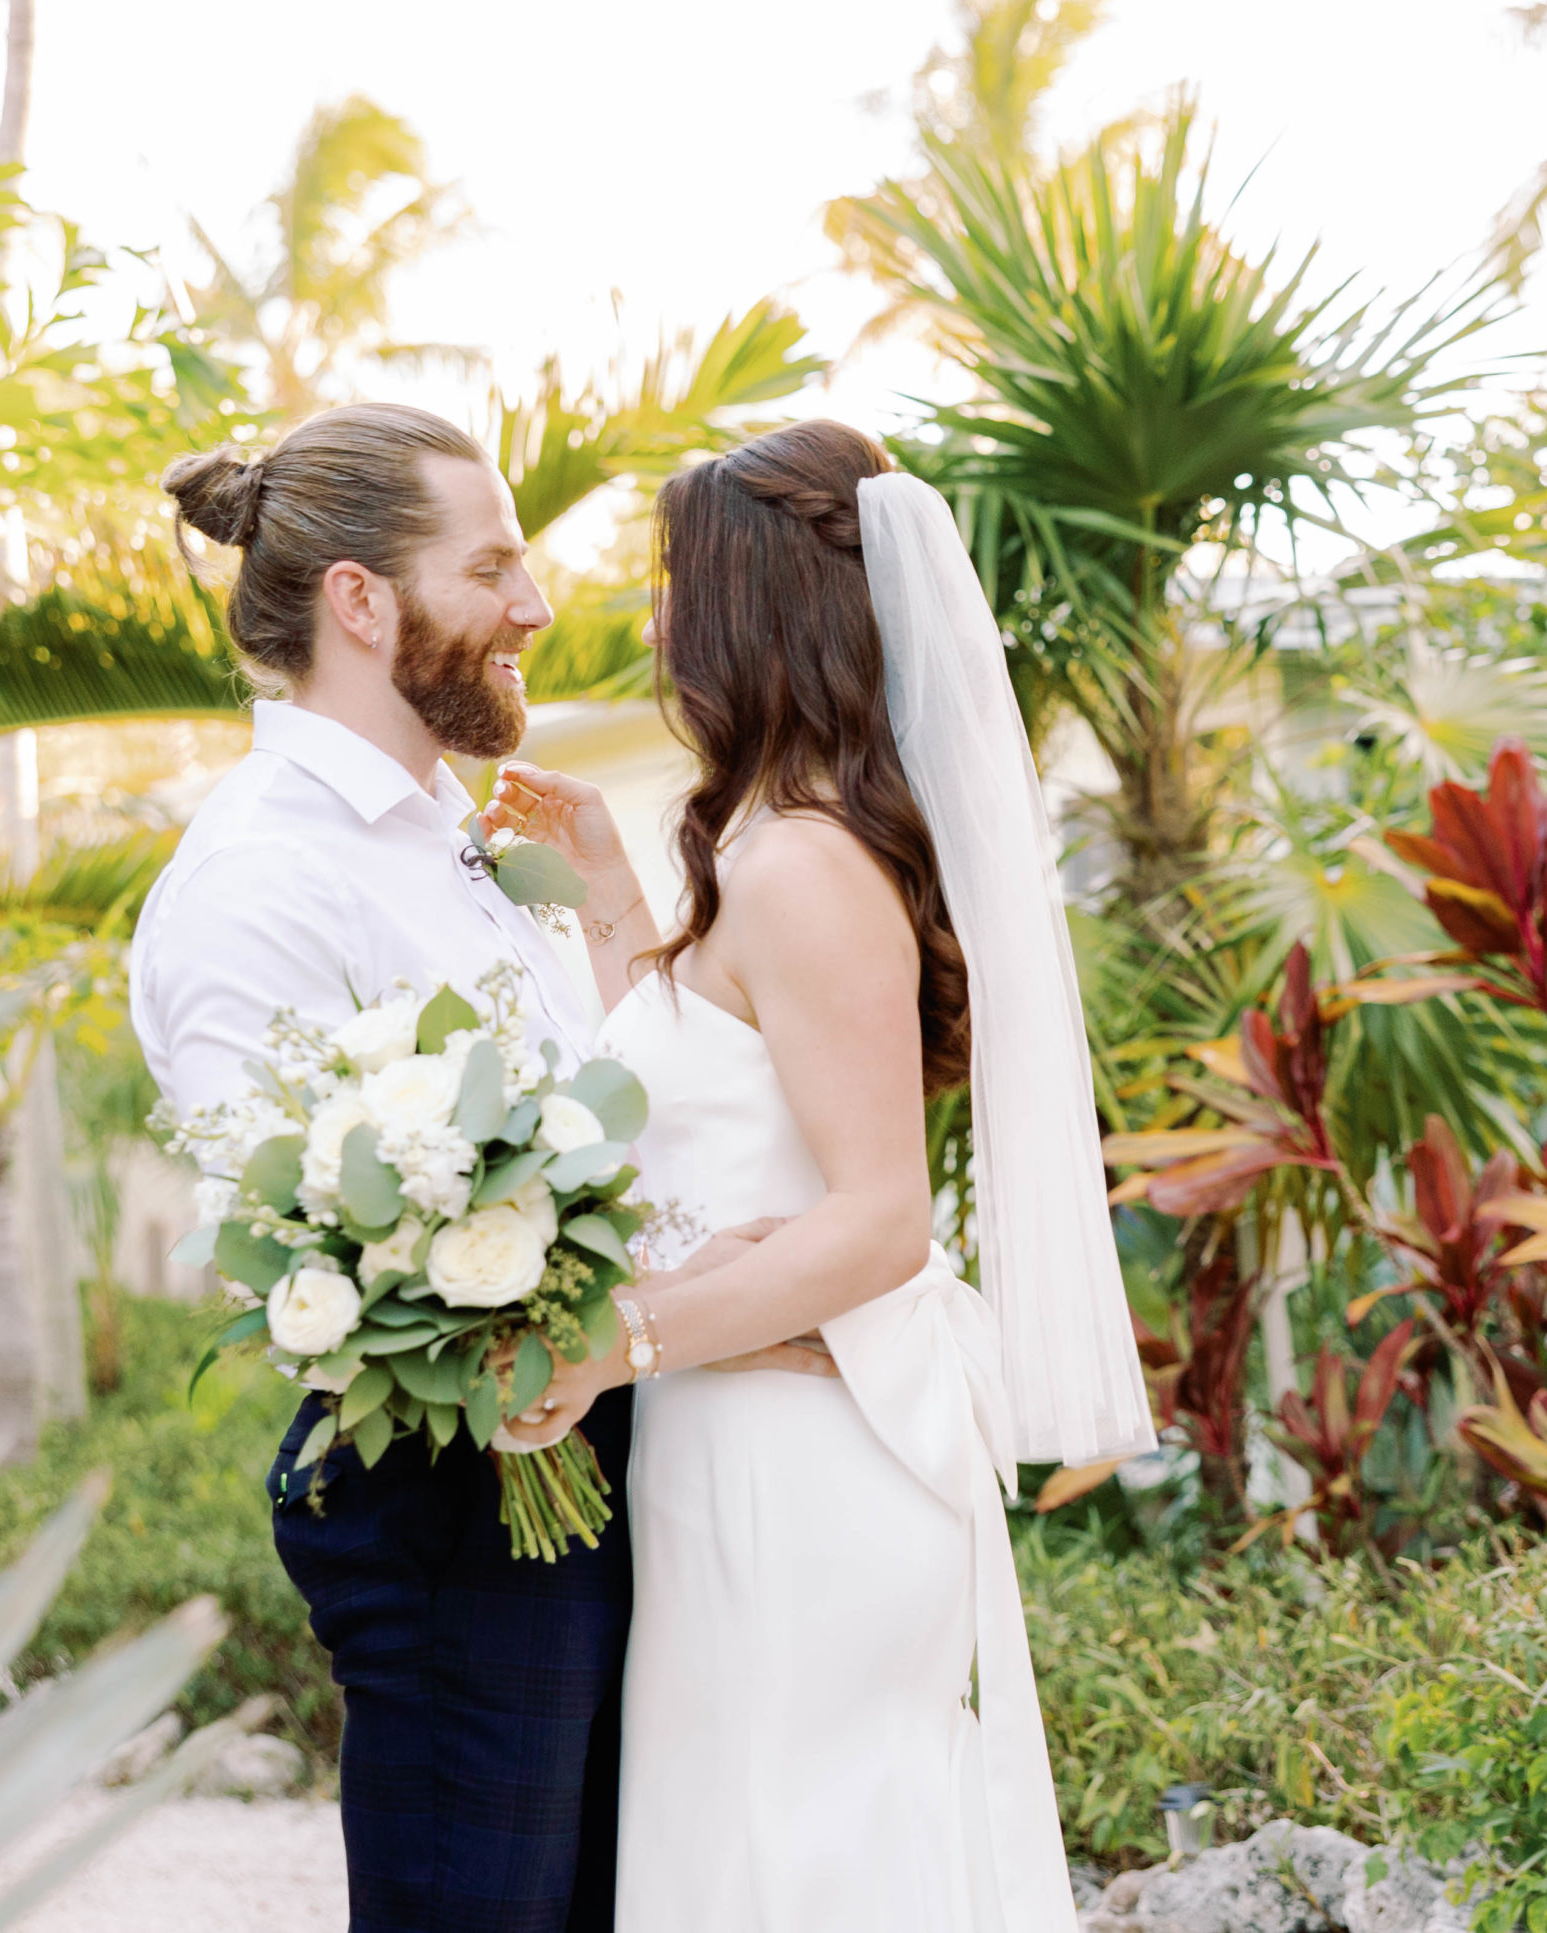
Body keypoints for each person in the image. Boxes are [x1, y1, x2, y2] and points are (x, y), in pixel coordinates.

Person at [484, 421, 1156, 1933]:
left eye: (677, 580)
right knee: (745, 1860)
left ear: (753, 605)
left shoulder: (805, 866)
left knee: (805, 1868)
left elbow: (878, 1218)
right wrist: (609, 898)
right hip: (745, 1440)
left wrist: (619, 1339)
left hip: (806, 1460)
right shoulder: (772, 843)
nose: (657, 618)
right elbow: (696, 1122)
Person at [129, 402, 792, 1933]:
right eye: (492, 566)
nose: (536, 608)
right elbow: (287, 1239)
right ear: (361, 600)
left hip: (577, 1469)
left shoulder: (463, 834)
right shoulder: (258, 878)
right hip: (446, 1507)